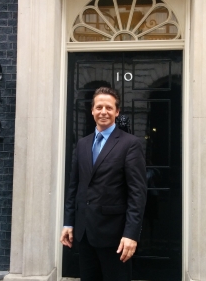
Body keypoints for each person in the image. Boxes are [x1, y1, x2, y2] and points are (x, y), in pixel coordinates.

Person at [60, 87, 147, 281]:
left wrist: (131, 234)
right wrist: (68, 222)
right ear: (92, 111)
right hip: (84, 234)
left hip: (115, 236)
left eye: (109, 107)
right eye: (99, 107)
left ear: (117, 112)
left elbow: (137, 193)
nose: (103, 111)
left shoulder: (130, 144)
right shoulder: (83, 144)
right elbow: (75, 186)